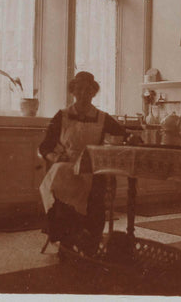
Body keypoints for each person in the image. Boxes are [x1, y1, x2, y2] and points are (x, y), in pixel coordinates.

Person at [39, 71, 127, 253]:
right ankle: (66, 241)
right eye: (79, 89)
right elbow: (45, 147)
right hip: (66, 165)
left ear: (94, 93)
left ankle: (90, 241)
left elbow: (123, 135)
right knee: (62, 188)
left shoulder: (102, 117)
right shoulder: (62, 116)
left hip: (91, 166)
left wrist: (131, 138)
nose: (83, 94)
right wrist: (55, 158)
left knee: (95, 192)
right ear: (73, 91)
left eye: (88, 90)